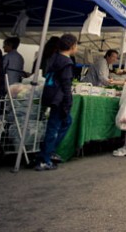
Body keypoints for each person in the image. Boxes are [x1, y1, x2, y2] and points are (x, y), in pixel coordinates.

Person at [35, 33, 78, 171]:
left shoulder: (53, 58)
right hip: (59, 99)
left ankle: (48, 152)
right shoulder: (67, 62)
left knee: (66, 122)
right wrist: (68, 102)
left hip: (50, 95)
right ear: (72, 46)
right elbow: (66, 85)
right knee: (54, 127)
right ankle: (44, 158)